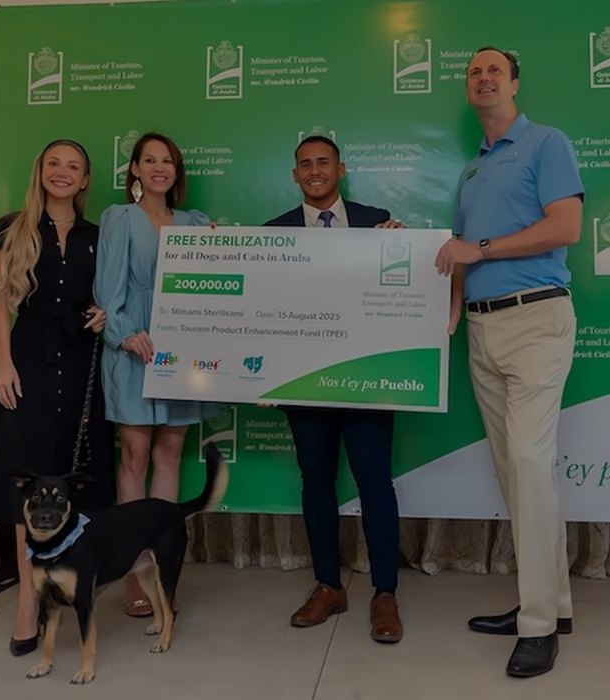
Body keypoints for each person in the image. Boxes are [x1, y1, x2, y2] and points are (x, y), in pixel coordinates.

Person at [434, 46, 584, 678]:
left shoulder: (546, 142)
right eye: (474, 72)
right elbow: (462, 257)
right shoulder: (471, 173)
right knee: (514, 470)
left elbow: (567, 226)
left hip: (536, 319)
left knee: (527, 460)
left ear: (515, 82)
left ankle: (539, 626)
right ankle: (547, 601)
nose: (484, 77)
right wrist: (453, 301)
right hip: (482, 329)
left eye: (494, 69)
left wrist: (482, 248)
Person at [262, 135, 407, 643]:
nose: (315, 171)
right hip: (305, 384)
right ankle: (328, 586)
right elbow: (260, 312)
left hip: (366, 381)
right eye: (306, 164)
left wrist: (403, 245)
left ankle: (385, 595)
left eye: (324, 162)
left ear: (340, 169)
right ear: (295, 174)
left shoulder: (377, 221)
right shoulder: (273, 234)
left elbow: (401, 285)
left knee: (375, 483)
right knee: (316, 483)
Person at [0, 139, 113, 657]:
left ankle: (74, 587)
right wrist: (4, 365)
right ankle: (28, 605)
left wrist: (101, 314)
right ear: (41, 172)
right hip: (27, 363)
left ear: (84, 182)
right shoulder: (11, 227)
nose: (62, 172)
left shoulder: (98, 237)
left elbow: (106, 296)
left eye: (73, 166)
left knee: (75, 475)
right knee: (26, 480)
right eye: (54, 163)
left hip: (81, 363)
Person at [94, 131, 217, 617]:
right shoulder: (120, 217)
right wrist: (124, 334)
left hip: (184, 351)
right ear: (135, 170)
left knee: (169, 451)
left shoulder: (196, 223)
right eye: (150, 160)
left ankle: (162, 573)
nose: (159, 167)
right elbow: (108, 289)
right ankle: (132, 578)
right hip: (135, 347)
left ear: (176, 171)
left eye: (168, 160)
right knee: (135, 452)